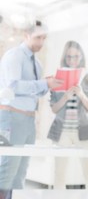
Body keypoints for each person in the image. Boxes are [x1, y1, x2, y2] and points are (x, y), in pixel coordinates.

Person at [0, 21, 63, 195]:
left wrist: (47, 85)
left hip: (28, 120)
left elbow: (33, 93)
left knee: (20, 173)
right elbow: (13, 86)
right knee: (6, 171)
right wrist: (43, 83)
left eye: (44, 38)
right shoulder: (14, 56)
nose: (41, 42)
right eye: (37, 38)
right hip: (11, 117)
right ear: (26, 36)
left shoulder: (37, 64)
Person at [47, 40, 88, 189]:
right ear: (65, 57)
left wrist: (81, 95)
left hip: (83, 129)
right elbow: (54, 109)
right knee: (59, 173)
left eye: (76, 56)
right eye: (69, 57)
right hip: (62, 131)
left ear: (81, 56)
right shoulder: (58, 78)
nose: (72, 60)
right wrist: (65, 97)